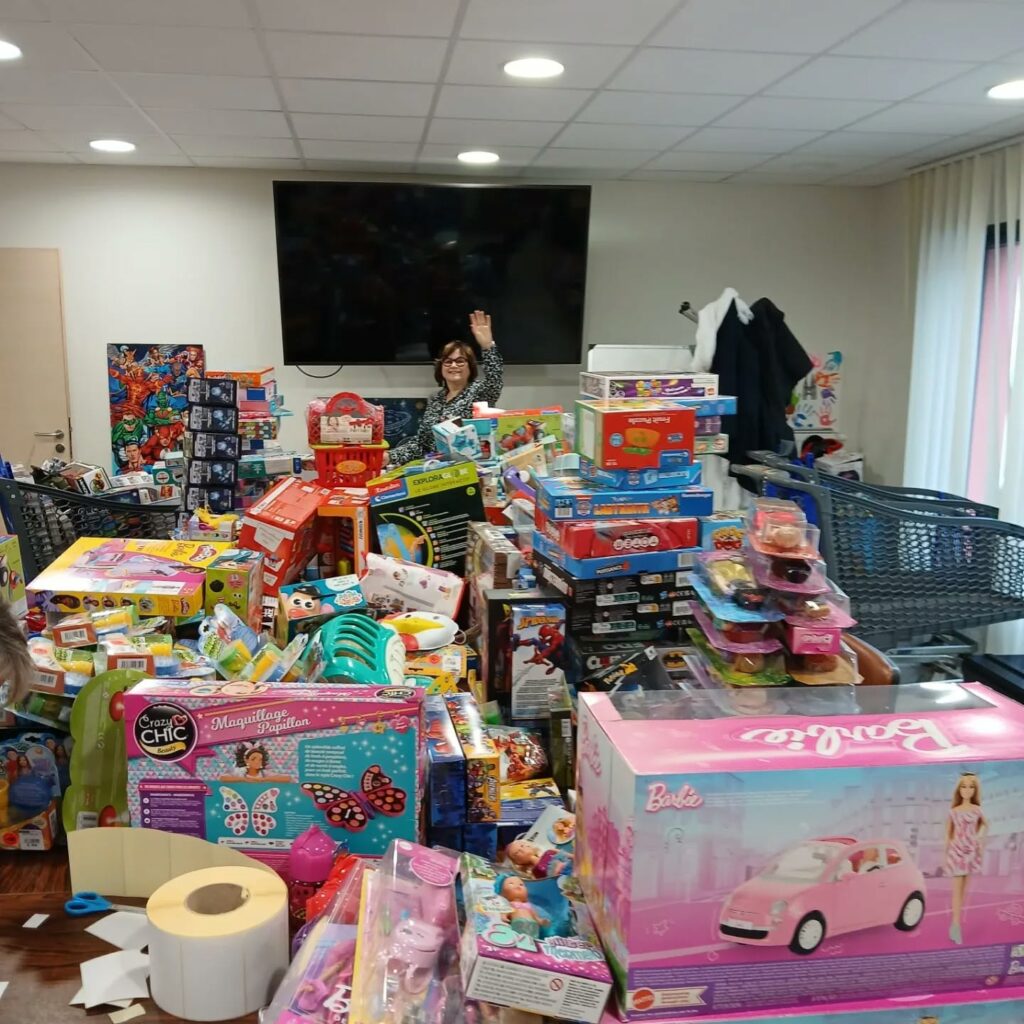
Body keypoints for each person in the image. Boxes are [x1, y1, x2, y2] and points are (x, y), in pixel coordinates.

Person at [387, 310, 503, 467]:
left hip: (471, 470)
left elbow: (495, 378)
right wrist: (390, 456)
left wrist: (488, 346)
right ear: (440, 367)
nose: (453, 365)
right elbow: (421, 445)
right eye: (448, 362)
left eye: (460, 361)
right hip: (436, 470)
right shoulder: (436, 399)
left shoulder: (480, 393)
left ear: (470, 367)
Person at [946, 771, 988, 945]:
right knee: (957, 891)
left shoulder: (977, 810)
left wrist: (979, 839)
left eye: (971, 787)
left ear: (975, 790)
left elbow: (985, 825)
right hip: (957, 851)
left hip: (971, 851)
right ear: (959, 789)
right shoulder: (953, 811)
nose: (967, 790)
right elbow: (948, 835)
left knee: (964, 890)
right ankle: (956, 925)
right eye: (964, 787)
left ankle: (956, 924)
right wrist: (945, 855)